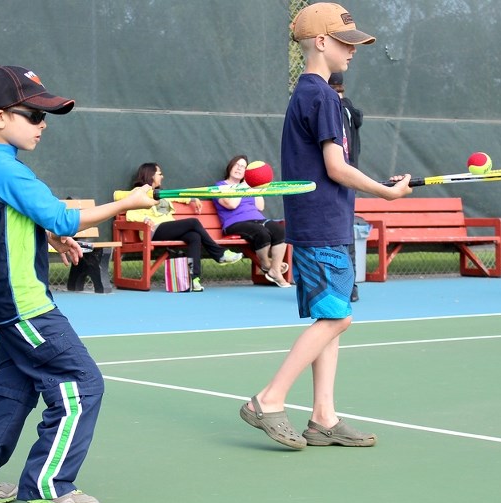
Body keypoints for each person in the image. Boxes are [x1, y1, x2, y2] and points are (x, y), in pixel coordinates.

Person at [0, 65, 157, 503]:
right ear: (0, 117)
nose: (43, 126)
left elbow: (15, 222)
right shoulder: (7, 169)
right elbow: (60, 215)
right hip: (26, 307)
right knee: (82, 382)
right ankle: (50, 483)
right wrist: (130, 202)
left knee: (12, 390)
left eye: (46, 118)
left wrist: (54, 238)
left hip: (7, 304)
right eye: (34, 116)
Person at [240, 3, 412, 450]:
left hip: (327, 220)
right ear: (320, 42)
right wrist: (385, 192)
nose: (352, 52)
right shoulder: (321, 97)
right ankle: (268, 399)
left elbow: (331, 167)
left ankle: (324, 417)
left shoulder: (311, 95)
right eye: (345, 42)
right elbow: (337, 168)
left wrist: (375, 184)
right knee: (338, 317)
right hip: (321, 224)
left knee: (330, 315)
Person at [125, 163, 244, 292]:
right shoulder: (137, 192)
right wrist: (145, 219)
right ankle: (219, 253)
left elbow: (178, 196)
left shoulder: (160, 193)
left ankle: (194, 279)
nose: (162, 176)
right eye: (160, 174)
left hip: (167, 229)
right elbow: (129, 213)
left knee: (194, 236)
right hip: (153, 231)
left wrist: (192, 198)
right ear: (151, 175)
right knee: (193, 222)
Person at [212, 155, 290, 288]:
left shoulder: (248, 186)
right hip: (234, 223)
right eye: (237, 164)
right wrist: (242, 187)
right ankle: (266, 264)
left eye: (243, 167)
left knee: (280, 231)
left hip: (257, 219)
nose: (239, 168)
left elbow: (260, 207)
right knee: (262, 233)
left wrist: (256, 187)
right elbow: (231, 204)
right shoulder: (220, 186)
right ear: (230, 167)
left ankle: (275, 270)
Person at [329, 72, 363, 302]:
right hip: (334, 180)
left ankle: (348, 286)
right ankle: (337, 285)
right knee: (336, 234)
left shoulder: (344, 109)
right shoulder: (331, 107)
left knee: (343, 233)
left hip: (344, 178)